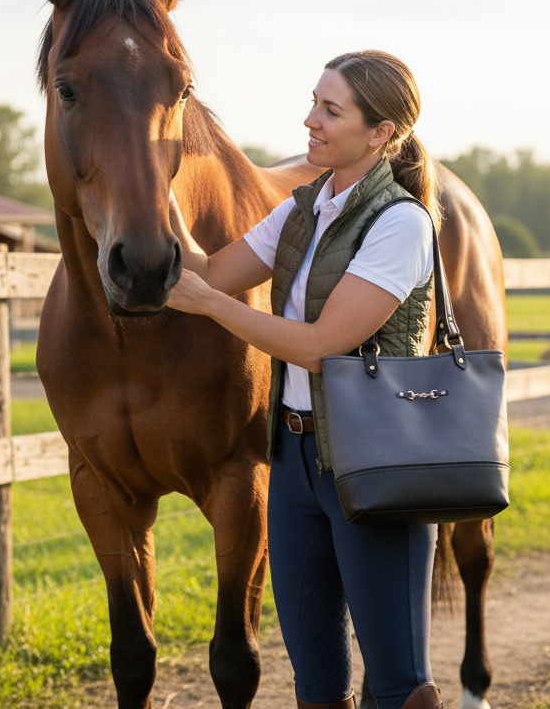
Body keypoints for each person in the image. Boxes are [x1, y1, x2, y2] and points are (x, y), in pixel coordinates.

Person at [166, 50, 444, 709]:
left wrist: (211, 307)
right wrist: (159, 183)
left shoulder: (400, 224)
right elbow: (207, 271)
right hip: (293, 464)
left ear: (380, 134)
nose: (309, 120)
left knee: (399, 687)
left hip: (373, 463)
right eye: (314, 102)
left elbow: (322, 349)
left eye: (330, 109)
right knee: (316, 685)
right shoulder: (302, 209)